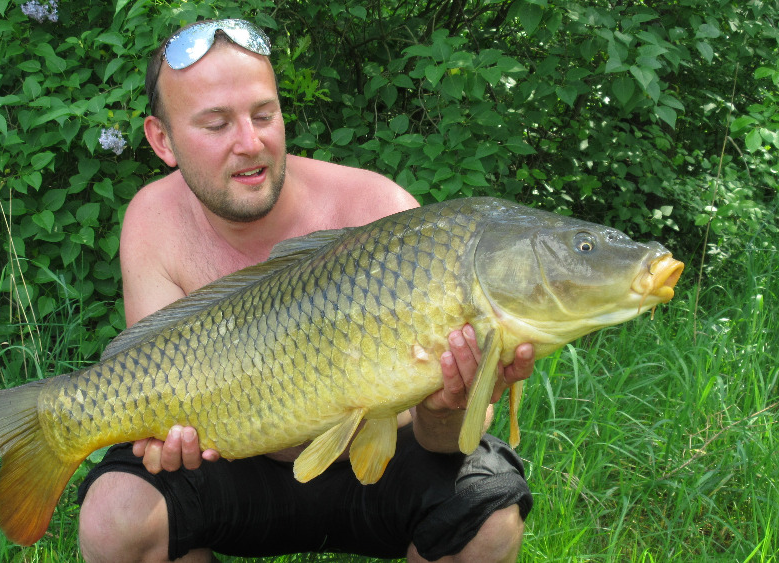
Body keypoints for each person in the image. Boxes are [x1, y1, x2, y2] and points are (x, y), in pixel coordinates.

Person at [77, 19, 536, 563]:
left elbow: (441, 443)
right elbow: (154, 391)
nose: (251, 144)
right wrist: (159, 437)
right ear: (162, 139)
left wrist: (448, 405)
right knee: (115, 518)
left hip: (378, 464)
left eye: (264, 115)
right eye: (216, 124)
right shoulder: (153, 219)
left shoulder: (381, 213)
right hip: (236, 464)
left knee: (489, 514)